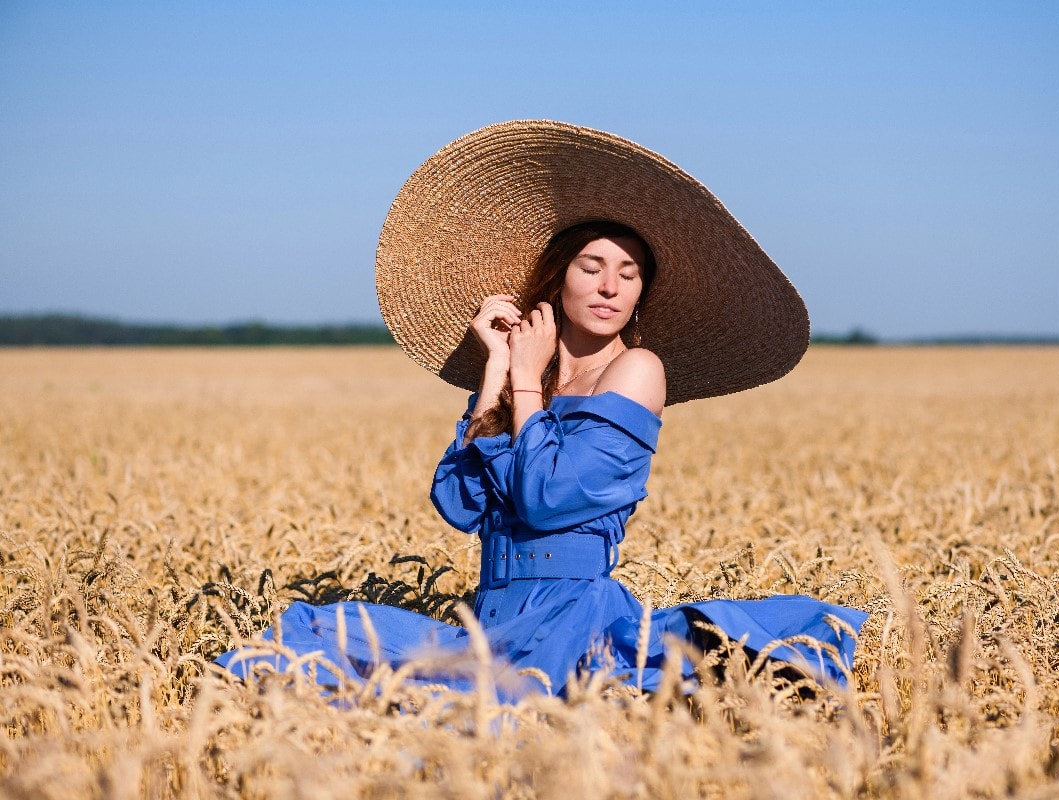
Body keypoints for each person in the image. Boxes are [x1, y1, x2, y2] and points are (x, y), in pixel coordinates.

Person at [216, 121, 868, 698]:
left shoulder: (637, 371)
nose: (610, 284)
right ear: (557, 279)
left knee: (467, 719)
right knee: (305, 637)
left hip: (571, 626)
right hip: (488, 622)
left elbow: (548, 499)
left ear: (642, 294)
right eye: (591, 266)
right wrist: (497, 370)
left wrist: (524, 383)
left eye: (629, 271)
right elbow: (457, 502)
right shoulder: (528, 375)